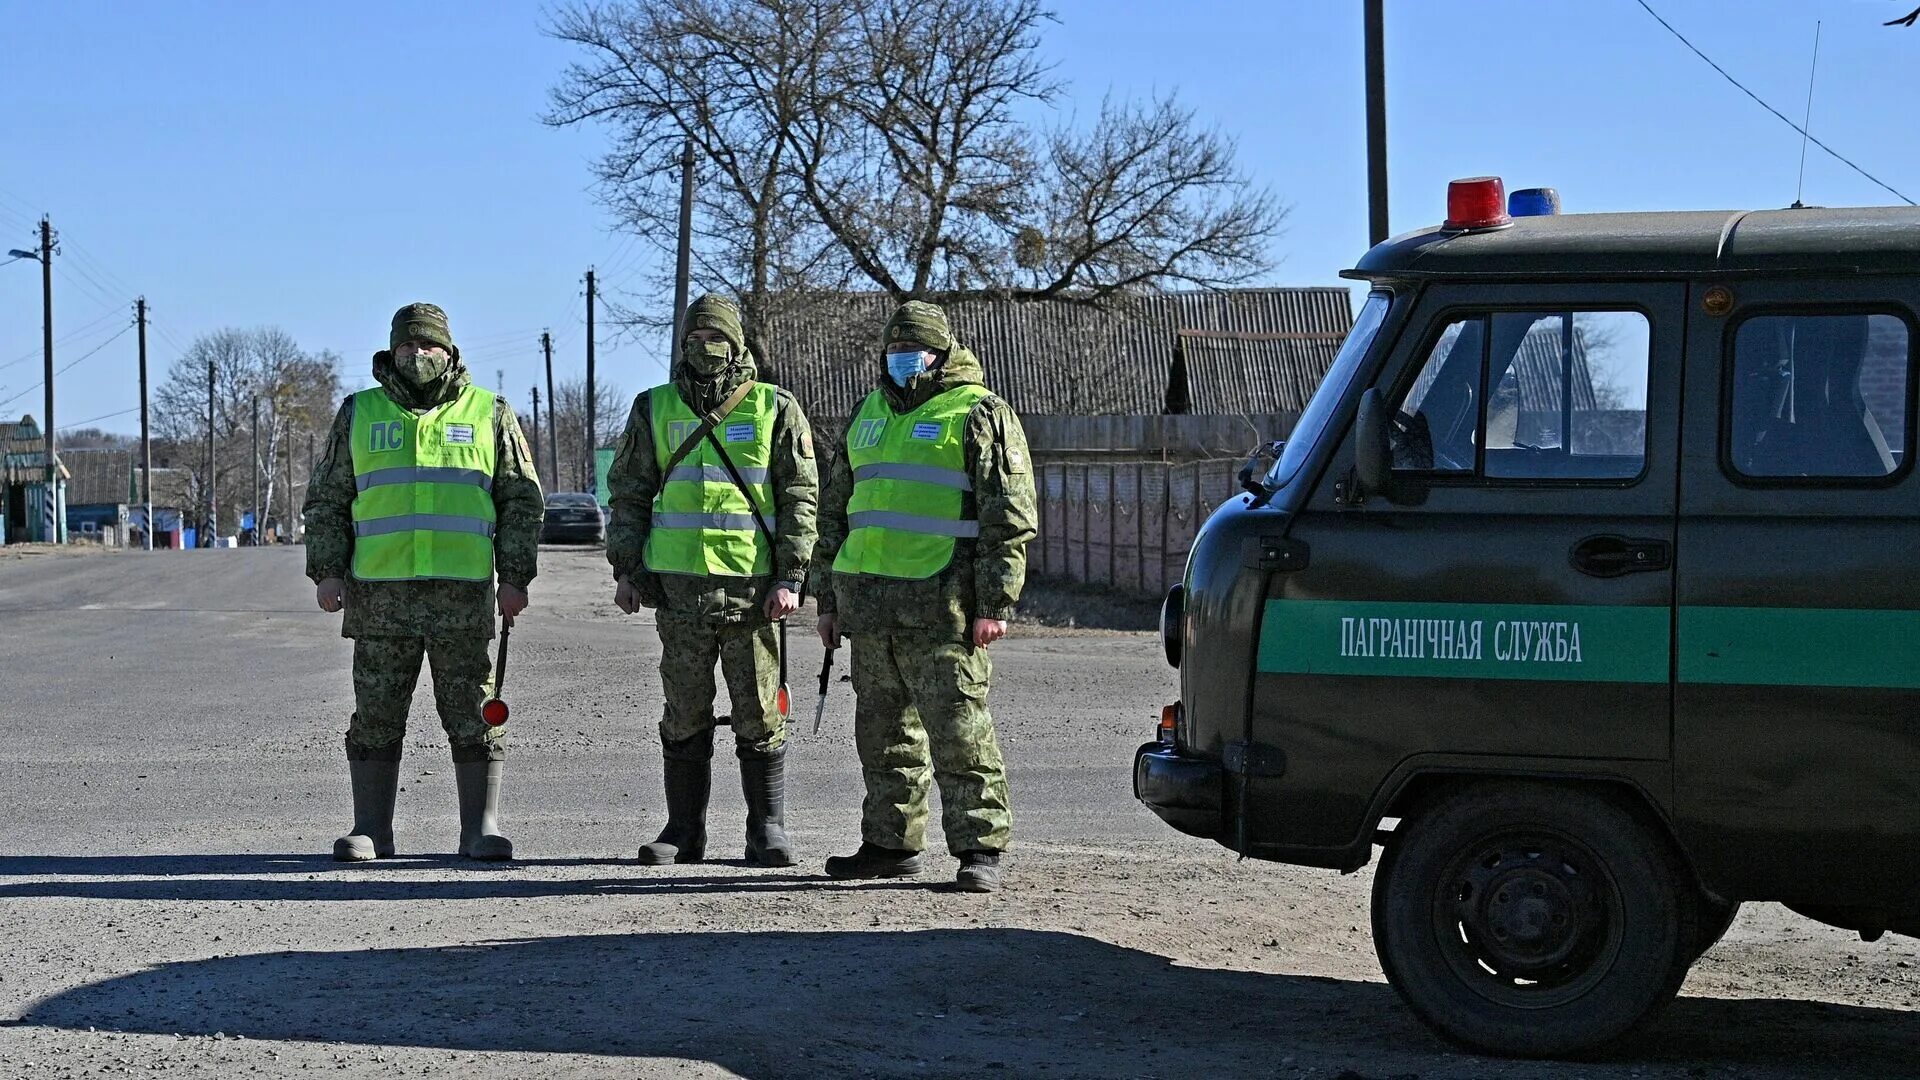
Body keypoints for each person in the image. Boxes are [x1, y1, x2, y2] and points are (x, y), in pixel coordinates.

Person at [303, 302, 545, 862]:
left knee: (472, 708)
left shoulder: (491, 412)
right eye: (407, 346)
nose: (418, 355)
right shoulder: (359, 412)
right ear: (391, 352)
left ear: (450, 352)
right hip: (380, 596)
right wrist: (328, 570)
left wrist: (515, 577)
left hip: (461, 596)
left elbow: (520, 502)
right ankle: (372, 830)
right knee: (377, 711)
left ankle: (479, 829)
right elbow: (328, 500)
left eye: (429, 345)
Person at [814, 300, 1037, 893]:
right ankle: (890, 844)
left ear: (941, 353)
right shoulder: (866, 413)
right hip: (870, 611)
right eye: (892, 349)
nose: (901, 358)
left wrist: (995, 603)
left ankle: (979, 849)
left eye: (912, 348)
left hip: (946, 610)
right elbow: (834, 514)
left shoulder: (979, 412)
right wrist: (828, 601)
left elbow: (1009, 518)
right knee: (882, 739)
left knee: (960, 732)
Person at [607, 293, 818, 866]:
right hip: (679, 590)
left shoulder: (775, 407)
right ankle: (683, 830)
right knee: (684, 709)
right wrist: (626, 568)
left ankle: (766, 830)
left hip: (754, 591)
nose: (706, 349)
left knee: (759, 710)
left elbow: (800, 497)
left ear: (738, 343)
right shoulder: (652, 407)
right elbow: (628, 495)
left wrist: (792, 575)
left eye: (717, 338)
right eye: (695, 339)